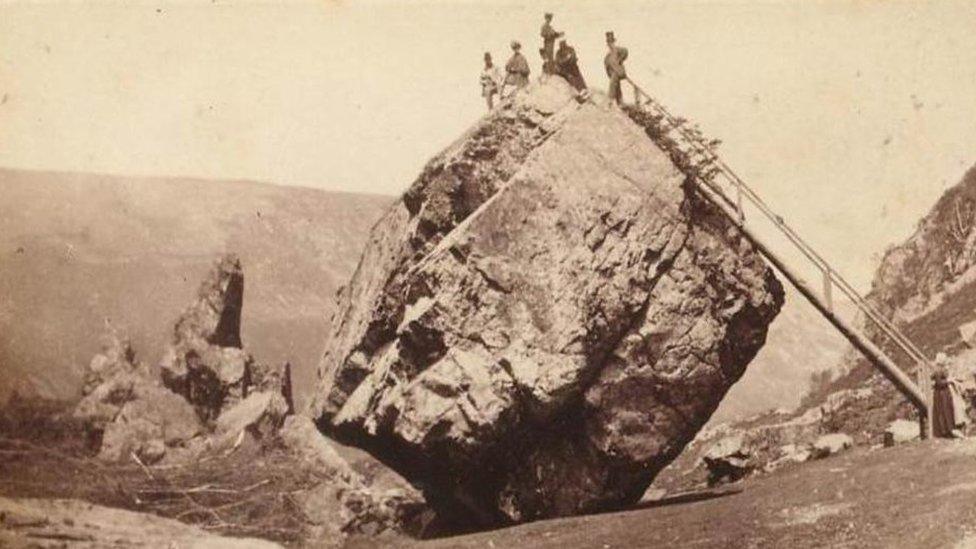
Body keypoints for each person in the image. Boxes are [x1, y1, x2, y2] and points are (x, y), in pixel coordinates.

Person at [932, 354, 969, 438]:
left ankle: (950, 429)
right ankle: (948, 430)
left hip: (944, 393)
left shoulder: (941, 369)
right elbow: (939, 383)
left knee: (948, 411)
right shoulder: (938, 370)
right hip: (941, 394)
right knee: (944, 412)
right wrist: (949, 381)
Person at [604, 31, 629, 105]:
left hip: (618, 72)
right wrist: (609, 73)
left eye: (611, 42)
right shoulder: (608, 56)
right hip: (613, 73)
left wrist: (620, 60)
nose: (610, 44)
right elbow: (607, 66)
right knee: (617, 87)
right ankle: (620, 102)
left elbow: (625, 51)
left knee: (613, 82)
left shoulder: (617, 49)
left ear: (613, 42)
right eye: (609, 42)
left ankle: (610, 99)